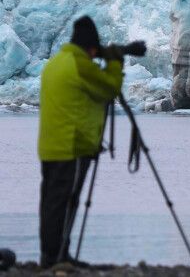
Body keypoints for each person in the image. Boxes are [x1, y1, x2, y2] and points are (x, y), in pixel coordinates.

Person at [36, 16, 146, 267]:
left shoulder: (56, 62)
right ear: (90, 47)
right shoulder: (79, 65)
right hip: (72, 147)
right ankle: (58, 257)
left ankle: (51, 255)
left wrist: (105, 54)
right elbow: (109, 88)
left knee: (52, 203)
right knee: (66, 202)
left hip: (50, 146)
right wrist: (116, 62)